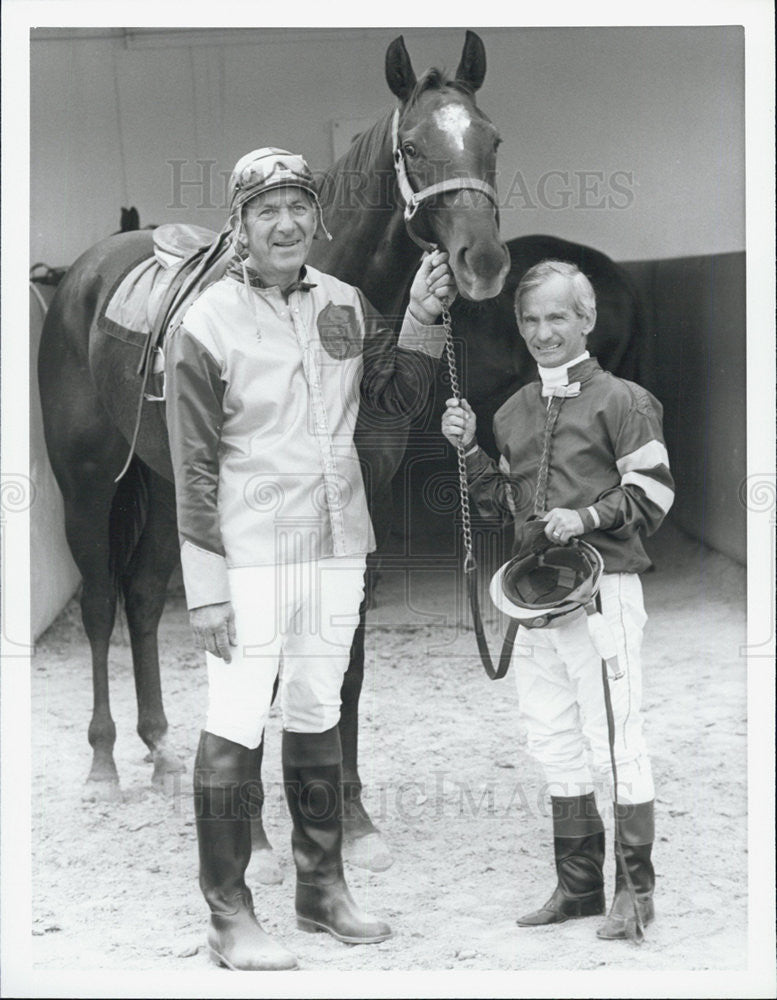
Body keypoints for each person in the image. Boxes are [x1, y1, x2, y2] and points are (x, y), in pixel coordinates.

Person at [165, 147, 455, 971]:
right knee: (231, 720)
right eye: (266, 210)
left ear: (316, 217)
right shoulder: (206, 323)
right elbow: (192, 467)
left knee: (317, 710)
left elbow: (393, 400)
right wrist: (206, 589)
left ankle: (320, 890)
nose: (285, 222)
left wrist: (423, 320)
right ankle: (228, 915)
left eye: (297, 205)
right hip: (250, 558)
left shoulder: (344, 302)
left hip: (337, 549)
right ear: (240, 224)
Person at [441, 259, 674, 940]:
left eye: (556, 317)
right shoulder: (512, 411)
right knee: (552, 741)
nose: (543, 332)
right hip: (534, 599)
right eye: (530, 320)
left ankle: (635, 893)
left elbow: (653, 496)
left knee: (615, 742)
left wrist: (588, 516)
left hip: (604, 594)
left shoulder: (623, 401)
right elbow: (501, 509)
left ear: (586, 319)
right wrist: (471, 453)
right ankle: (576, 888)